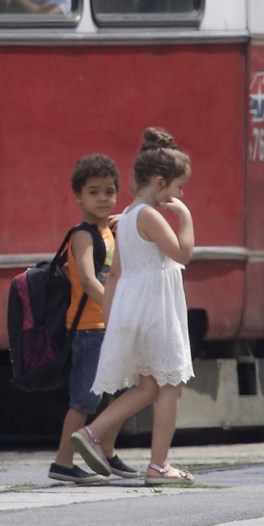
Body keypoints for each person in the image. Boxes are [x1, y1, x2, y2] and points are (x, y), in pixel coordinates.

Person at [64, 130, 201, 484]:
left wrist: (114, 317)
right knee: (171, 385)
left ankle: (92, 433)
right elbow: (183, 254)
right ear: (160, 181)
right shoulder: (149, 217)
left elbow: (116, 274)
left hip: (135, 307)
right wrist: (185, 215)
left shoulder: (125, 216)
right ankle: (159, 465)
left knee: (149, 386)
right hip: (158, 309)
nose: (181, 195)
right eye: (179, 188)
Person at [47, 153, 128, 483]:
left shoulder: (108, 230)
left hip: (108, 324)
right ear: (78, 196)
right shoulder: (82, 234)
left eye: (109, 191)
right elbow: (88, 277)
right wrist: (114, 306)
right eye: (93, 192)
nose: (103, 198)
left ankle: (107, 452)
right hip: (89, 328)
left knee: (119, 391)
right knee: (83, 399)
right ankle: (63, 463)